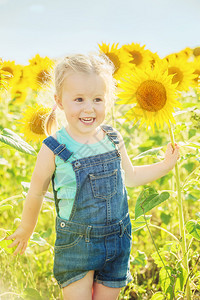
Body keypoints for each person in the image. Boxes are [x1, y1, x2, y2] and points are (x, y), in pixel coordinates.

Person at [6, 53, 180, 300]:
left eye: (97, 99)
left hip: (118, 240)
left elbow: (128, 177)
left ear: (107, 101)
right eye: (79, 99)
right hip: (77, 244)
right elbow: (36, 191)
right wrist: (26, 228)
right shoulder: (54, 146)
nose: (89, 108)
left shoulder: (112, 138)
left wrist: (163, 166)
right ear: (60, 101)